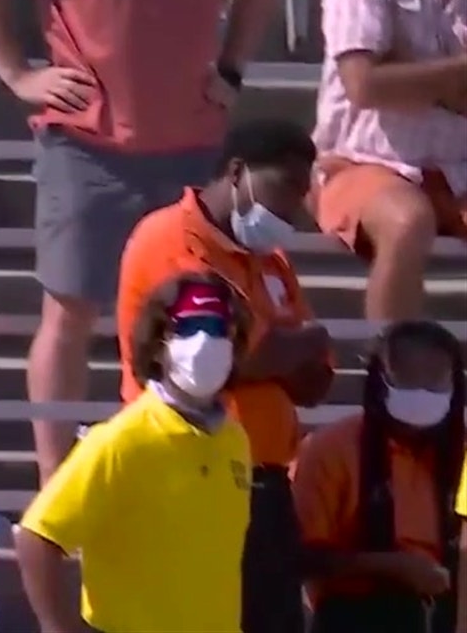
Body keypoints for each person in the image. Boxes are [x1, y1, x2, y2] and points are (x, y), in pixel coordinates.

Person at [0, 0, 276, 483]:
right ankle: (58, 484)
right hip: (87, 143)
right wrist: (17, 74)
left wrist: (232, 70)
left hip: (192, 144)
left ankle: (179, 464)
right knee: (70, 312)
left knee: (195, 312)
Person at [117, 118, 330, 633]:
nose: (292, 208)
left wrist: (285, 352)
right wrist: (288, 349)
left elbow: (314, 380)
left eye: (303, 193)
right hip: (189, 476)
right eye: (286, 187)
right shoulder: (172, 237)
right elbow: (211, 363)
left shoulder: (270, 262)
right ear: (238, 173)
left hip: (267, 482)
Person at [16, 273, 252, 633]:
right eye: (188, 327)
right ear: (159, 344)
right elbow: (36, 538)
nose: (205, 340)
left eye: (219, 328)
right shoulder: (121, 440)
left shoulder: (235, 440)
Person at [311, 0, 467, 322]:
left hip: (458, 168)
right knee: (407, 220)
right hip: (362, 163)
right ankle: (393, 371)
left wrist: (409, 72)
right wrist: (453, 77)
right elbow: (364, 85)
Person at [294, 320, 464, 633]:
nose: (422, 390)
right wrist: (392, 566)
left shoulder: (460, 452)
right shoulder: (332, 447)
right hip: (355, 615)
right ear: (380, 378)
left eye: (435, 379)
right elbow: (304, 558)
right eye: (409, 378)